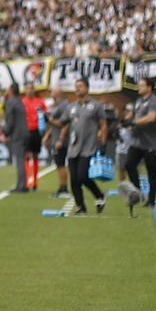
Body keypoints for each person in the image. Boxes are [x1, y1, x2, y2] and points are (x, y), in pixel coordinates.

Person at [65, 78, 109, 216]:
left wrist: (103, 143)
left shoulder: (96, 105)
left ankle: (99, 195)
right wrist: (50, 121)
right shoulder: (71, 107)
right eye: (76, 86)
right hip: (73, 148)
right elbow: (65, 124)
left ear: (87, 88)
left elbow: (103, 125)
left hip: (89, 147)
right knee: (74, 180)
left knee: (83, 176)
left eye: (80, 86)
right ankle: (80, 207)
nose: (77, 88)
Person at [123, 84, 156, 207]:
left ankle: (151, 200)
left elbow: (151, 117)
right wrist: (126, 120)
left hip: (151, 142)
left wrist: (133, 122)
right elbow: (134, 115)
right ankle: (138, 192)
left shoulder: (154, 101)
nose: (139, 87)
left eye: (142, 85)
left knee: (151, 170)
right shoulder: (139, 101)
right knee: (129, 164)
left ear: (149, 88)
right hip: (137, 141)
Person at [45, 88, 71, 199]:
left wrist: (60, 139)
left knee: (61, 164)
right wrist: (48, 135)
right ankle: (62, 188)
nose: (51, 95)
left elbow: (65, 124)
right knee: (59, 164)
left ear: (58, 94)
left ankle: (64, 189)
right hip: (56, 138)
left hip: (61, 140)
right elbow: (55, 124)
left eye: (52, 92)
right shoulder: (58, 106)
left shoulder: (64, 106)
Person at [4, 85, 30, 193]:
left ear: (11, 91)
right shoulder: (19, 101)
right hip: (25, 132)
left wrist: (6, 132)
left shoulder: (11, 102)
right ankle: (23, 184)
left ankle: (21, 185)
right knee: (22, 159)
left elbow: (10, 120)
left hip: (17, 134)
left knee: (19, 160)